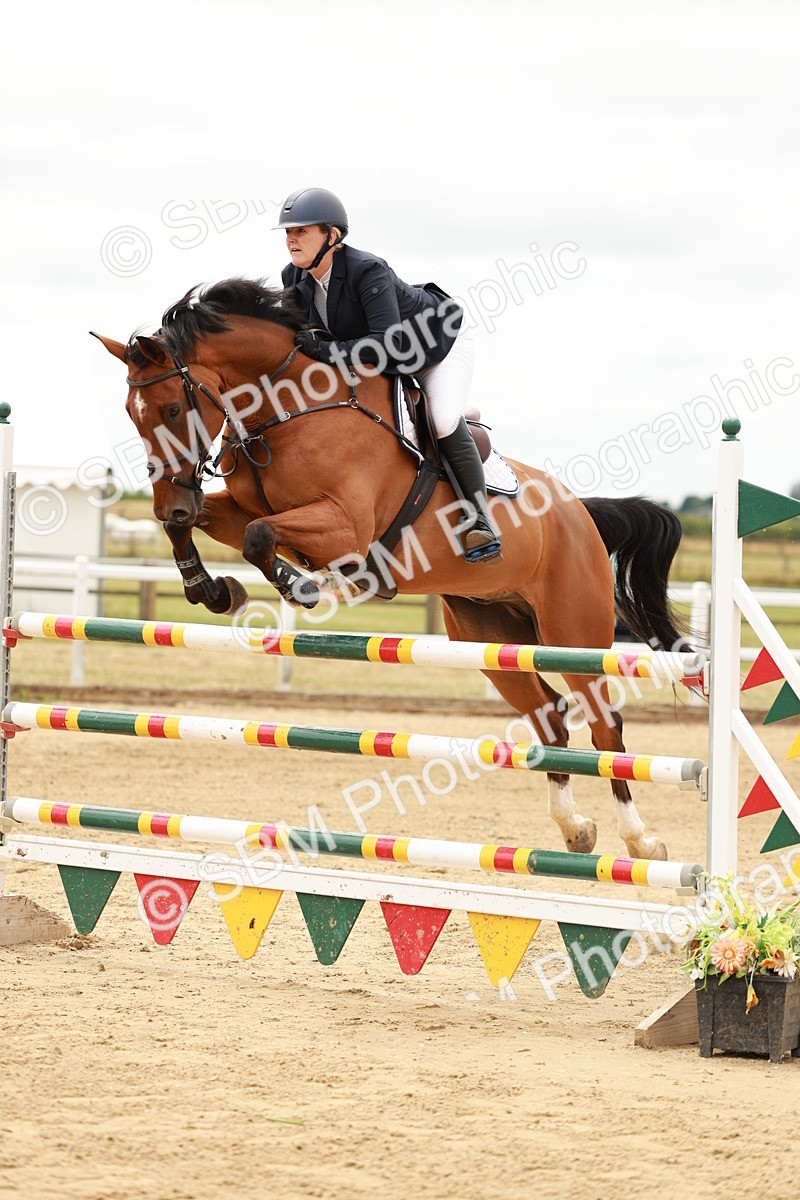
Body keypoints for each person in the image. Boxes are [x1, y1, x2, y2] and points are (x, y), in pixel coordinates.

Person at [276, 187, 501, 563]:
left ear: (332, 236)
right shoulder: (294, 277)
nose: (291, 239)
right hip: (380, 361)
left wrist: (327, 351)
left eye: (302, 230)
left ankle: (480, 520)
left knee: (442, 418)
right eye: (288, 233)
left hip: (435, 350)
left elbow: (386, 343)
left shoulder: (366, 269)